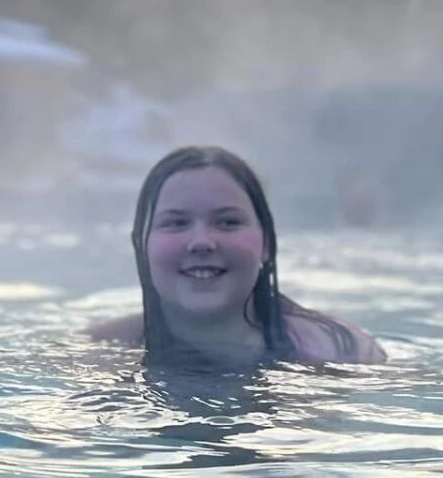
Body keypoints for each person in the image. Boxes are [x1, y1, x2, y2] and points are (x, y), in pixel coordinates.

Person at [89, 145, 384, 368]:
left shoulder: (340, 354)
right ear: (142, 246)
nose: (201, 242)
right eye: (176, 223)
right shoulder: (99, 355)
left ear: (266, 243)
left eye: (228, 222)